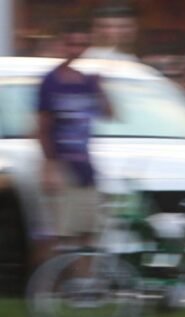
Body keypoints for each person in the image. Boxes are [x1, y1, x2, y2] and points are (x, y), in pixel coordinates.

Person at [35, 20, 113, 261]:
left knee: (88, 232)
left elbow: (109, 114)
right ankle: (46, 287)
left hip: (85, 166)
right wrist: (49, 168)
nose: (76, 50)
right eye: (71, 44)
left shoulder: (87, 81)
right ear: (61, 45)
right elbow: (43, 127)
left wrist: (101, 89)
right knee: (61, 233)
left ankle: (83, 292)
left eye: (82, 44)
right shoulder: (51, 81)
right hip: (62, 165)